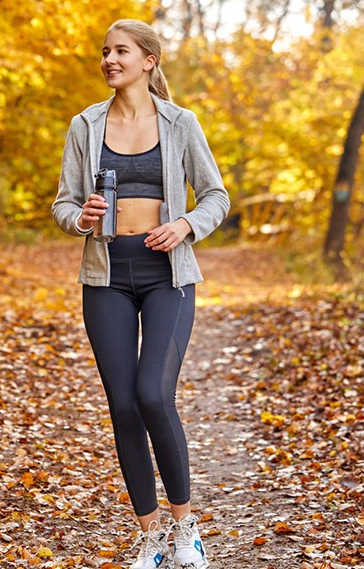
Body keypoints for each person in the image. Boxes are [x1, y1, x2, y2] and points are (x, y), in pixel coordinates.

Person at [51, 19, 230, 569]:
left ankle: (185, 528)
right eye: (105, 51)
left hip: (167, 276)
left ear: (148, 60)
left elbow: (216, 196)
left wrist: (186, 226)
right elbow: (62, 204)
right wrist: (80, 219)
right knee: (124, 406)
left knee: (154, 393)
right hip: (105, 277)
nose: (109, 59)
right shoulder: (85, 125)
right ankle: (150, 537)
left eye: (121, 51)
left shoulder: (181, 123)